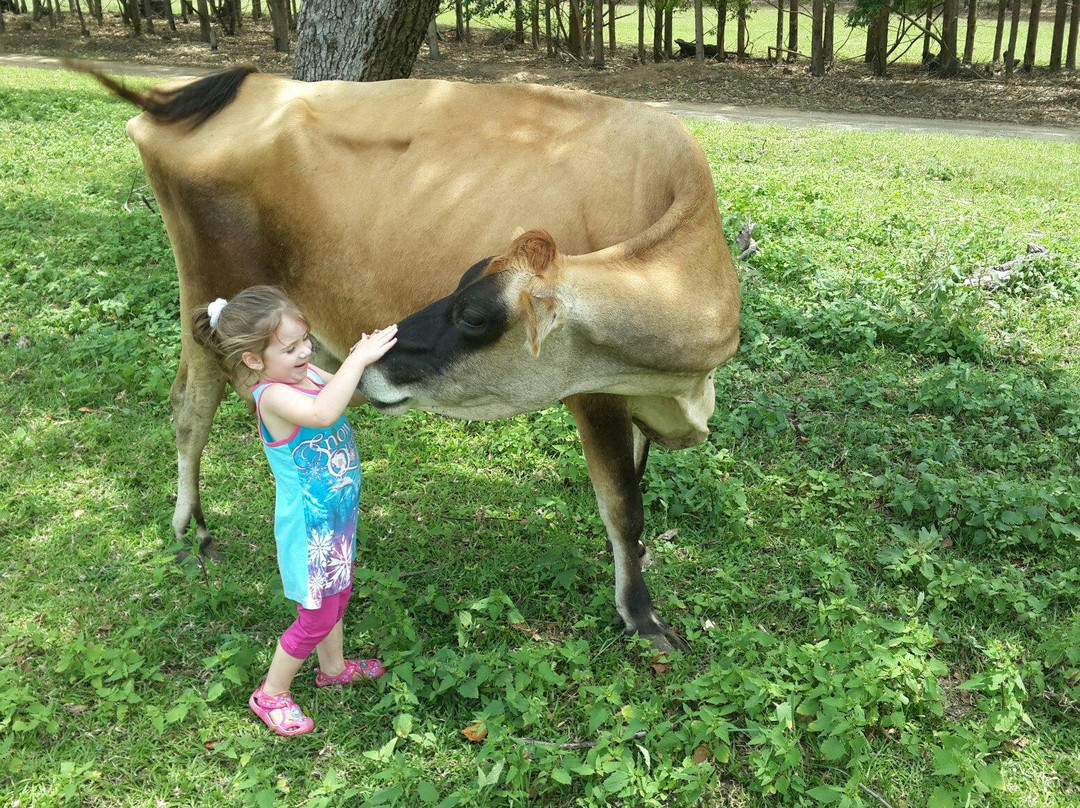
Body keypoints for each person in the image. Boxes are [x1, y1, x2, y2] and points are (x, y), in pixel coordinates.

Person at [193, 285, 398, 736]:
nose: (306, 350)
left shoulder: (305, 377)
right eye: (291, 347)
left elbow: (349, 396)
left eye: (306, 339)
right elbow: (325, 414)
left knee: (336, 596)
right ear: (253, 360)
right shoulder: (272, 396)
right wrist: (356, 359)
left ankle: (333, 669)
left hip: (336, 517)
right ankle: (270, 695)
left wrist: (378, 366)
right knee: (315, 615)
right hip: (309, 528)